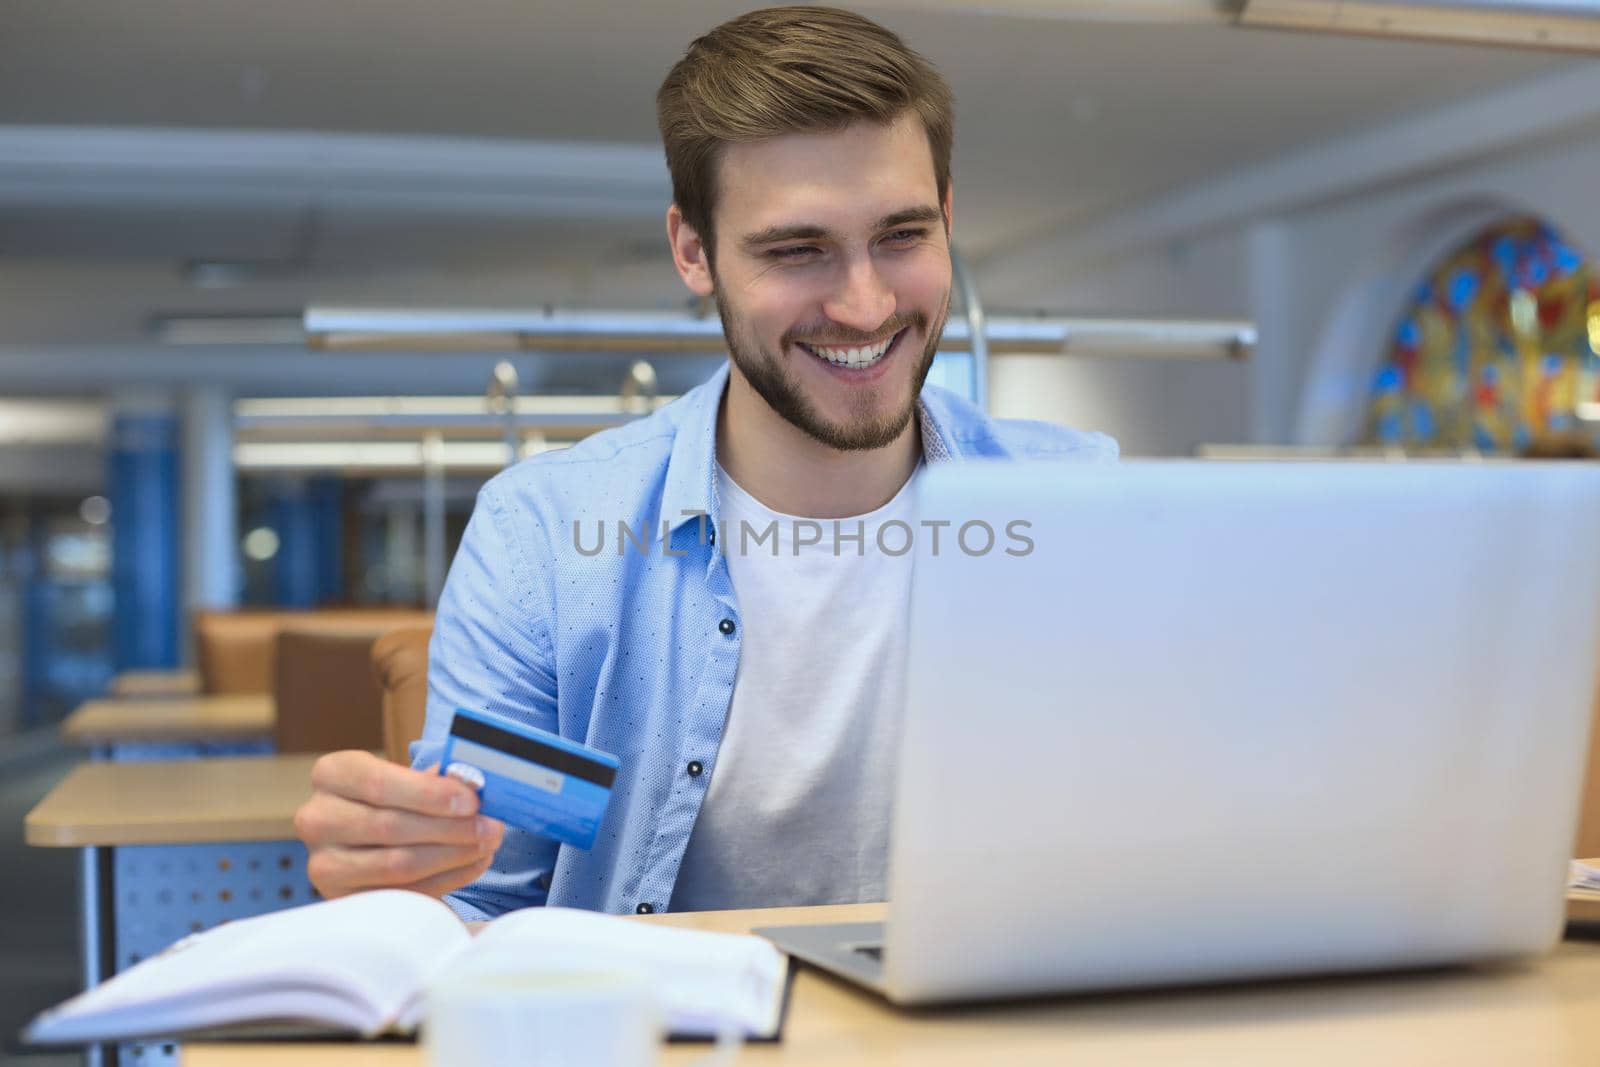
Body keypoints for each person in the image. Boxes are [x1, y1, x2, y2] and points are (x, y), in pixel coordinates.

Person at [294, 5, 1117, 918]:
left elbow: (1155, 844)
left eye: (902, 236)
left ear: (949, 218)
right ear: (695, 252)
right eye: (798, 250)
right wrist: (400, 879)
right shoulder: (550, 544)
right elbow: (481, 897)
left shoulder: (1083, 508)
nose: (865, 302)